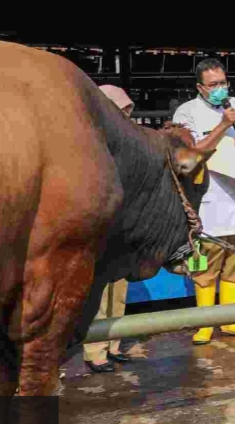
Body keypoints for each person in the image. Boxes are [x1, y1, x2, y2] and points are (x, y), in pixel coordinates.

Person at [172, 58, 235, 345]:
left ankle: (232, 320)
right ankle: (205, 323)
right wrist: (224, 125)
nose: (220, 89)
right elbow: (191, 153)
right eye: (213, 85)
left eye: (223, 83)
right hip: (208, 199)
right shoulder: (186, 112)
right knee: (205, 266)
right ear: (200, 87)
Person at [82, 84, 134, 373]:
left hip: (124, 226)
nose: (126, 116)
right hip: (102, 227)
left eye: (128, 110)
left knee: (119, 289)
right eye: (121, 110)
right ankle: (95, 350)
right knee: (99, 293)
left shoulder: (129, 143)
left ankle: (114, 345)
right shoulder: (90, 142)